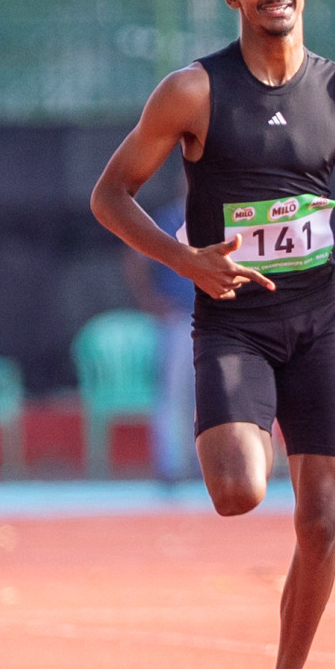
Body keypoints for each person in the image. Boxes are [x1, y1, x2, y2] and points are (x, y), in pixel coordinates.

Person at [91, 0, 335, 669]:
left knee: (325, 516)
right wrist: (186, 259)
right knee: (239, 492)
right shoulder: (193, 91)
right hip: (234, 320)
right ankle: (243, 428)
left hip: (318, 321)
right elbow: (110, 195)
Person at [123, 193, 197, 483]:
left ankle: (207, 465)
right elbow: (135, 255)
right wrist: (148, 299)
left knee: (216, 393)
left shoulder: (226, 210)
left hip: (222, 318)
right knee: (174, 393)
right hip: (179, 319)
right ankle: (173, 466)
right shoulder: (172, 217)